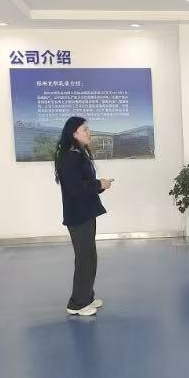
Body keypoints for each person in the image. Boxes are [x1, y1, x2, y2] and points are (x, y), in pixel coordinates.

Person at [54, 116, 112, 316]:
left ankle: (86, 296)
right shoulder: (71, 157)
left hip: (85, 212)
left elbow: (83, 183)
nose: (89, 132)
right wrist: (99, 184)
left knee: (89, 256)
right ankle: (77, 303)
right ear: (74, 134)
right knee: (84, 258)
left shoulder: (78, 153)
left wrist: (100, 185)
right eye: (85, 129)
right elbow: (75, 188)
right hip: (78, 215)